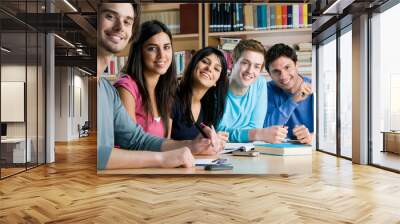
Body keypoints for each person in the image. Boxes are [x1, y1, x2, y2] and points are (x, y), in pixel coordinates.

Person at [97, 3, 221, 170]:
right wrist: (162, 159)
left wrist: (193, 145)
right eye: (110, 16)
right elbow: (111, 151)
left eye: (127, 21)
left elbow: (137, 140)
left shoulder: (107, 89)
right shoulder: (124, 87)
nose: (162, 56)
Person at [217, 39, 288, 143]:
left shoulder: (259, 83)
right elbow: (217, 131)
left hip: (248, 149)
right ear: (232, 62)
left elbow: (255, 126)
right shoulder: (217, 85)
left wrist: (255, 134)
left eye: (256, 66)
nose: (250, 71)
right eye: (245, 63)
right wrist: (258, 134)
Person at [114, 20, 176, 138]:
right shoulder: (126, 88)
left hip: (159, 156)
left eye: (166, 47)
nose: (162, 56)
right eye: (152, 48)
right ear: (139, 52)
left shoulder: (165, 92)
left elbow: (165, 142)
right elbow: (131, 143)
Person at [171, 47, 229, 142]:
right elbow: (161, 143)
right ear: (193, 65)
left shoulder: (209, 108)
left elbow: (198, 144)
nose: (209, 68)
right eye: (205, 62)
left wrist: (209, 141)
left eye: (216, 69)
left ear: (216, 82)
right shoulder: (172, 98)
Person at [263, 43, 314, 144]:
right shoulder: (267, 90)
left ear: (296, 65)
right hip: (277, 152)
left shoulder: (315, 88)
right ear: (269, 74)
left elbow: (332, 132)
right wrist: (293, 100)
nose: (283, 76)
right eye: (276, 71)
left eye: (287, 67)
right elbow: (266, 129)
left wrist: (313, 137)